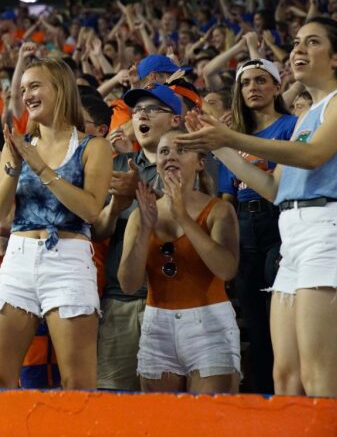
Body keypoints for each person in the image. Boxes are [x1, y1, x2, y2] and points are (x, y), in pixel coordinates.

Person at [178, 17, 337, 397]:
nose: (299, 50)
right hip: (294, 235)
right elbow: (274, 187)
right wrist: (221, 146)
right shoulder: (306, 116)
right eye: (296, 42)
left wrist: (232, 135)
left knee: (320, 379)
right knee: (285, 378)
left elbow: (314, 155)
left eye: (312, 42)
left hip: (330, 230)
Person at [0, 56, 111, 390]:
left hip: (69, 259)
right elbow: (0, 211)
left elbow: (90, 210)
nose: (27, 94)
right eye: (24, 88)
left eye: (35, 86)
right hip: (18, 257)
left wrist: (41, 168)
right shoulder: (19, 145)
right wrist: (12, 163)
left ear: (60, 89)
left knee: (77, 381)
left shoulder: (93, 146)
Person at [119, 128, 241, 393]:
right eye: (164, 151)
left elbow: (227, 268)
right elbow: (128, 285)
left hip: (211, 326)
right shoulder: (141, 216)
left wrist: (183, 216)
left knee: (208, 423)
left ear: (200, 163)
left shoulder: (219, 210)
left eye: (181, 150)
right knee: (162, 424)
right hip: (157, 326)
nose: (170, 156)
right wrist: (145, 230)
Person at [91, 84, 184, 391]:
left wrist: (146, 194)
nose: (141, 114)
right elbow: (99, 230)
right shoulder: (117, 165)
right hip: (121, 298)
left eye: (152, 109)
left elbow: (197, 218)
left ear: (175, 120)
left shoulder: (193, 161)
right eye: (137, 111)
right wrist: (116, 206)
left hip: (175, 300)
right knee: (112, 399)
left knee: (165, 407)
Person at [219, 56, 296, 394]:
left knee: (283, 318)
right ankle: (265, 397)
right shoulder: (233, 136)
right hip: (243, 224)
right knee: (254, 319)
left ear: (278, 86)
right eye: (246, 82)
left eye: (261, 80)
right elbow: (226, 196)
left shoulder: (292, 126)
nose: (253, 88)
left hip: (279, 219)